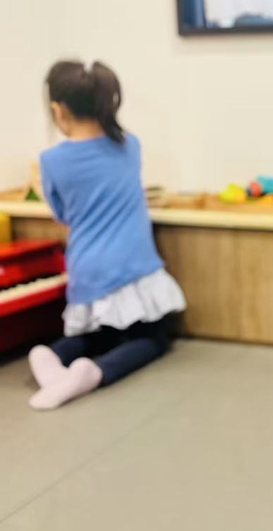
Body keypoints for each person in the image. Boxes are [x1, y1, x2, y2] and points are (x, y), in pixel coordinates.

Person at [27, 60, 186, 411]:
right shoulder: (130, 146)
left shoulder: (51, 161)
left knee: (97, 335)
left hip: (88, 271)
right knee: (153, 339)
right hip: (133, 267)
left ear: (58, 110)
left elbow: (62, 215)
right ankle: (96, 373)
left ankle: (49, 356)